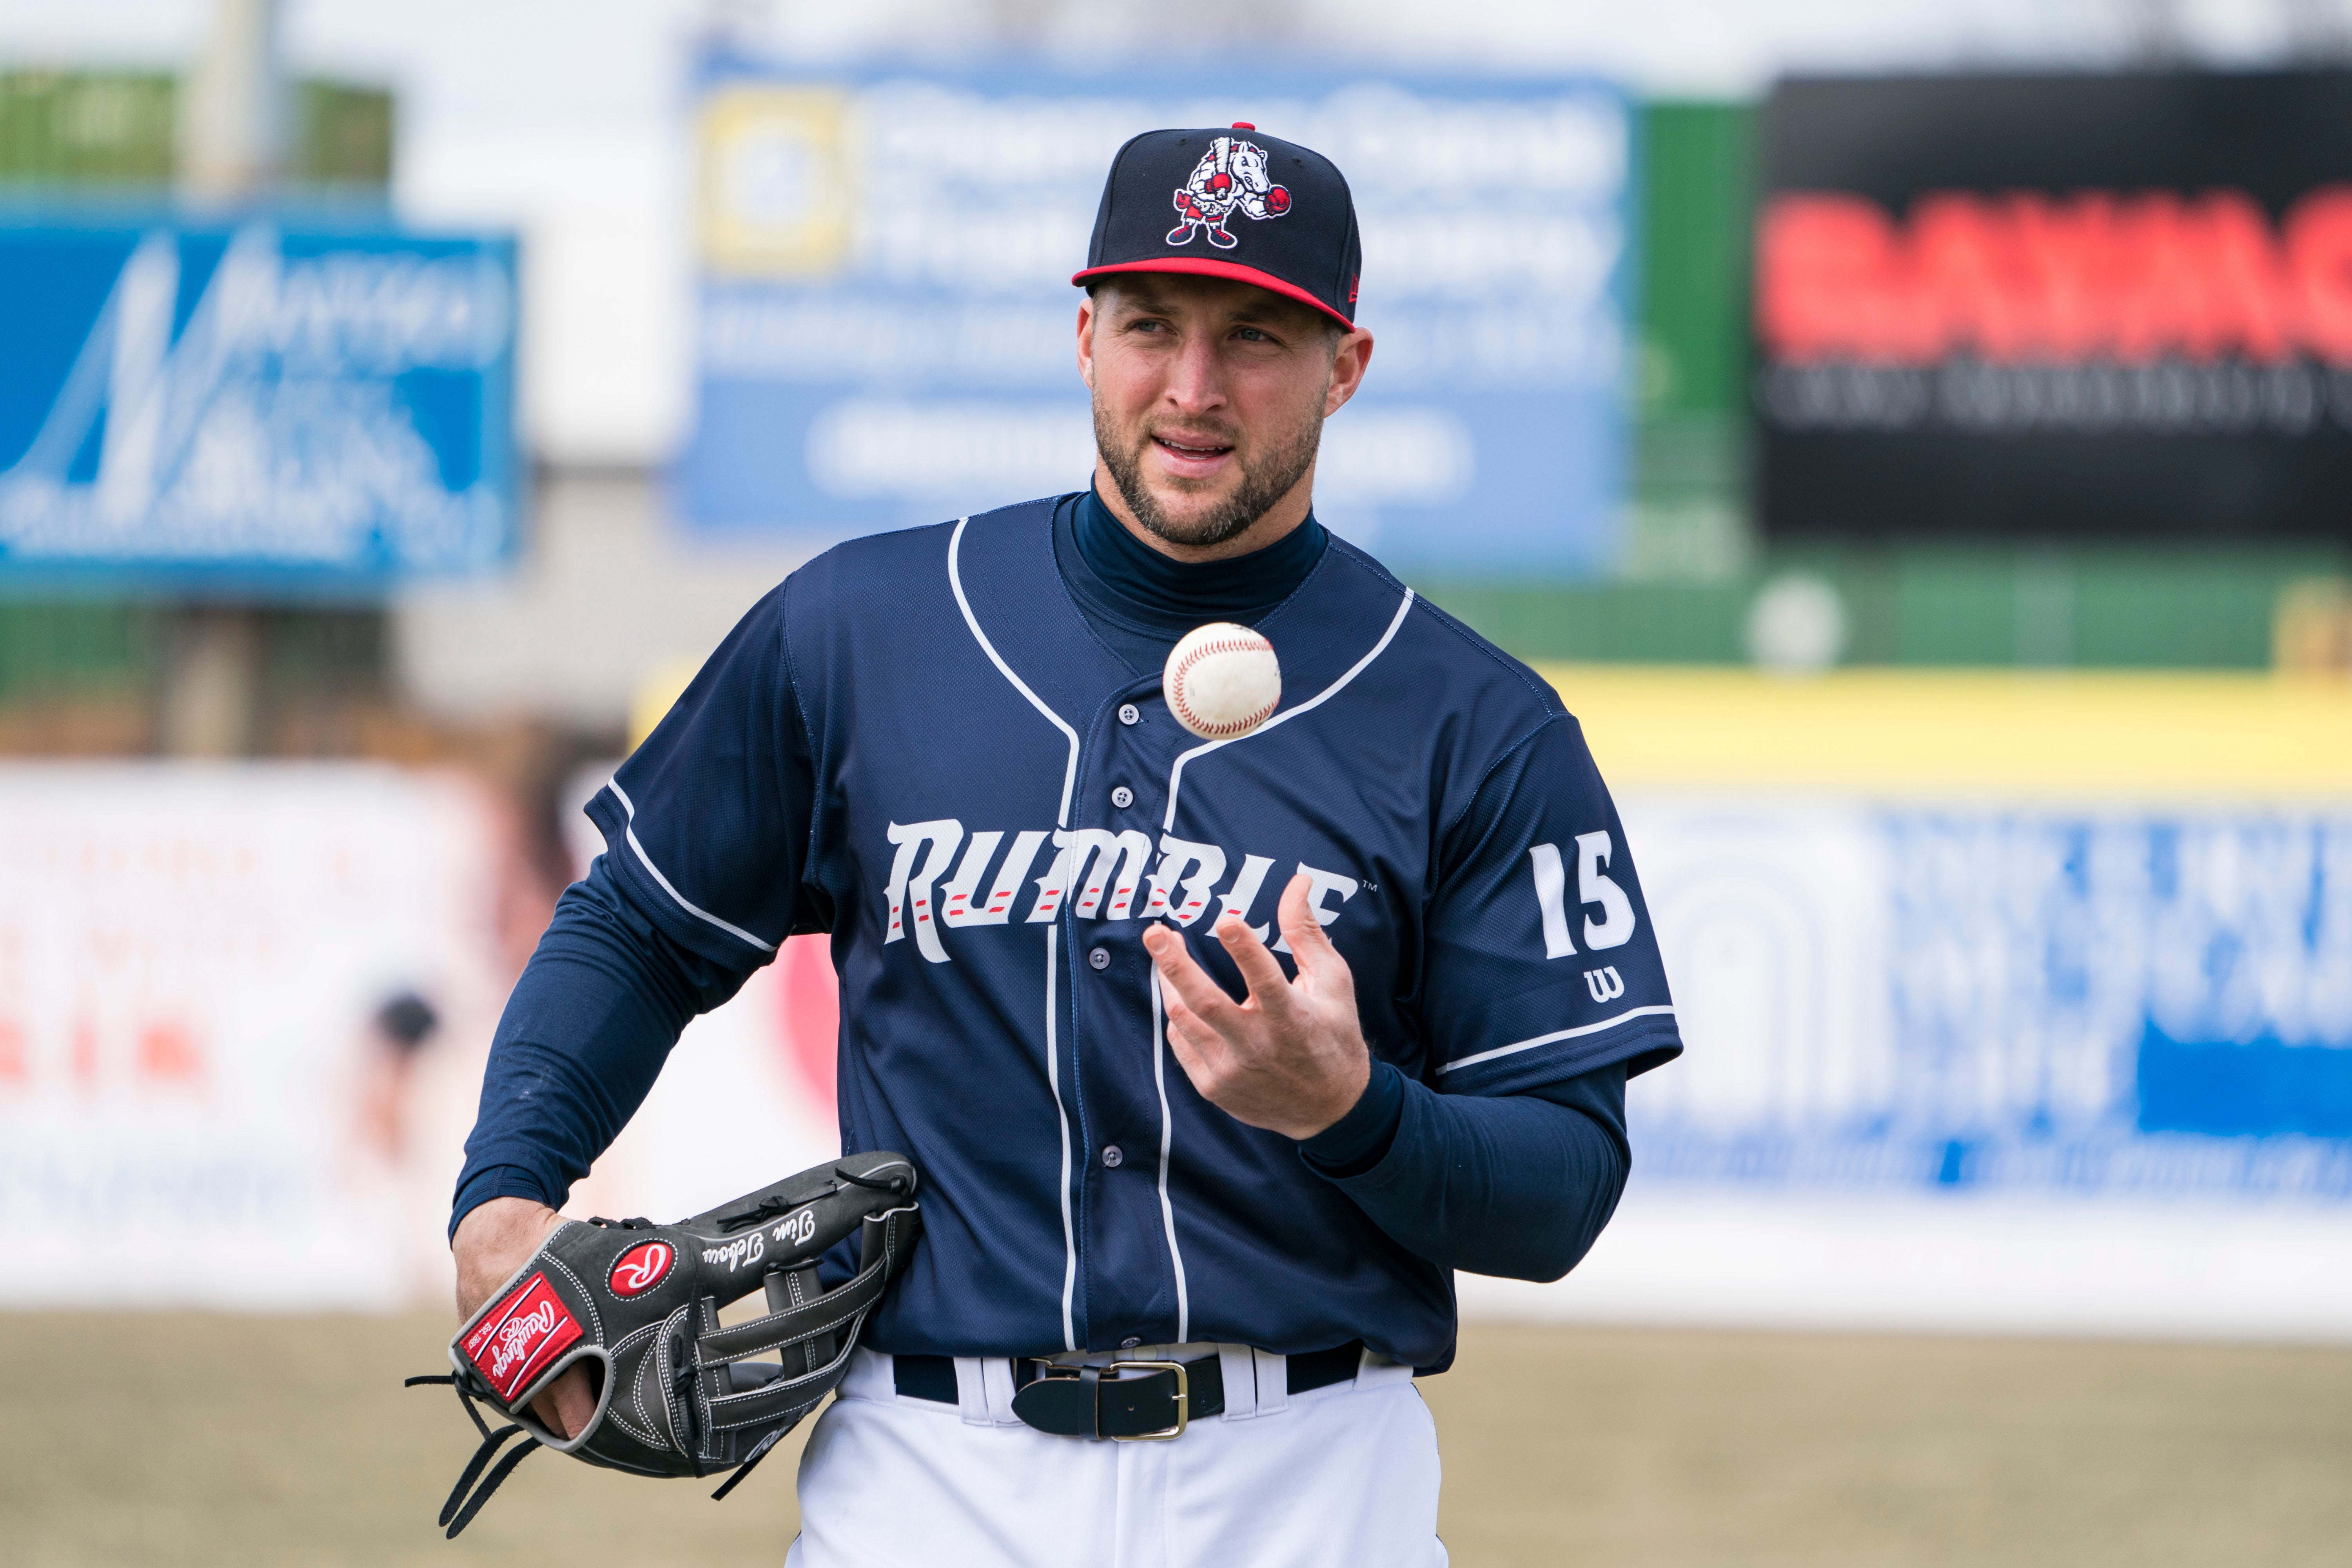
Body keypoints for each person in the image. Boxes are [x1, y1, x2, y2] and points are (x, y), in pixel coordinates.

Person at [450, 123, 1681, 1568]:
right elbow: (643, 927)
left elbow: (1565, 1188)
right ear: (1085, 334)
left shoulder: (1474, 720)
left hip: (1307, 1488)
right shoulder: (861, 631)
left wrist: (1354, 1113)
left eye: (1258, 335)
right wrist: (506, 1194)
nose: (1195, 386)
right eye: (1152, 324)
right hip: (926, 1482)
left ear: (1347, 366)